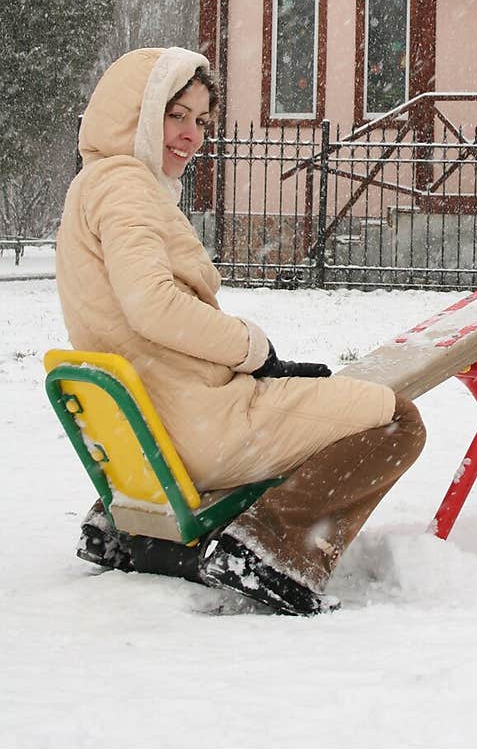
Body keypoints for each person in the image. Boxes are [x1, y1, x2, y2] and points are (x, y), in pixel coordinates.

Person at [55, 46, 426, 616]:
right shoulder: (126, 186)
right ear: (135, 114)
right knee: (397, 419)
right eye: (175, 114)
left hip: (157, 421)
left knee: (329, 403)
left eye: (201, 120)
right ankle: (270, 549)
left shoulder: (95, 186)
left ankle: (148, 530)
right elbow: (151, 303)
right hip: (199, 423)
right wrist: (252, 348)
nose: (192, 134)